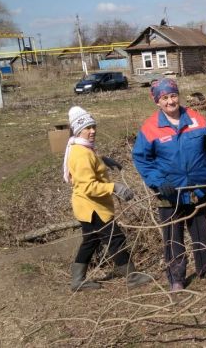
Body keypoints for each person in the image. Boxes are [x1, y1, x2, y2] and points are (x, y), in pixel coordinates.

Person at [132, 78, 206, 292]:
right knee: (173, 237)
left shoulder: (197, 120)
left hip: (198, 188)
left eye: (173, 96)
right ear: (157, 101)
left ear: (179, 96)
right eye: (165, 98)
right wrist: (158, 182)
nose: (170, 101)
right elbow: (142, 159)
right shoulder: (150, 127)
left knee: (200, 229)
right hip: (170, 192)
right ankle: (176, 277)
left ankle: (205, 266)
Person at [63, 106, 152, 292]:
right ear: (79, 130)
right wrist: (115, 187)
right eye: (88, 128)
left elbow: (90, 163)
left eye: (93, 126)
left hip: (87, 206)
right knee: (116, 238)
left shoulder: (81, 147)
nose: (92, 131)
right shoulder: (81, 154)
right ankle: (132, 277)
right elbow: (88, 186)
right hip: (92, 208)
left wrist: (103, 161)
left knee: (91, 241)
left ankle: (77, 280)